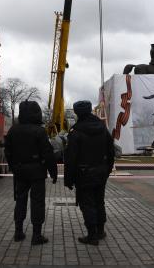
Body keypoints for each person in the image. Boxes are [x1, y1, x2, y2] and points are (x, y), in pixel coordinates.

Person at [5, 100, 58, 245]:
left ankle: (18, 232)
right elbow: (48, 153)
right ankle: (36, 235)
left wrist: (14, 167)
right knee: (37, 203)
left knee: (20, 200)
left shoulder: (13, 130)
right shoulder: (39, 131)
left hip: (20, 171)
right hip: (37, 172)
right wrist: (53, 173)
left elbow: (7, 152)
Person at [64, 100, 115, 246]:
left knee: (87, 204)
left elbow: (71, 158)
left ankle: (92, 236)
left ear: (77, 112)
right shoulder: (102, 127)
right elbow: (111, 151)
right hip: (100, 172)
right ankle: (100, 231)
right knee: (99, 201)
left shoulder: (76, 132)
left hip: (84, 174)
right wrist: (107, 170)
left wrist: (68, 180)